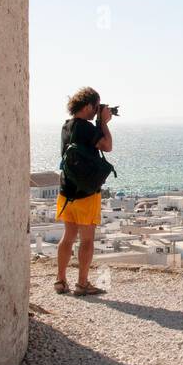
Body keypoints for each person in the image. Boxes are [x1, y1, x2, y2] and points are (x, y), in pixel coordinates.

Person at [55, 86, 114, 296]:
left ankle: (60, 281)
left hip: (66, 192)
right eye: (96, 107)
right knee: (87, 240)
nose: (97, 110)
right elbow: (107, 146)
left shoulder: (67, 126)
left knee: (68, 236)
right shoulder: (88, 128)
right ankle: (82, 283)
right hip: (87, 193)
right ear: (89, 106)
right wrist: (103, 123)